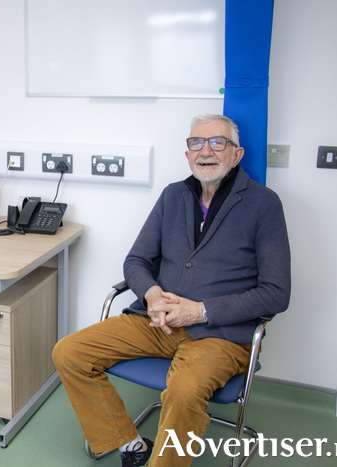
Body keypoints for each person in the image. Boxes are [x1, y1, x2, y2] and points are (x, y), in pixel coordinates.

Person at [52, 114, 291, 467]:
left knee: (183, 391)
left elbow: (275, 293)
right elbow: (136, 260)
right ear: (187, 153)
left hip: (219, 335)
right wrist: (150, 295)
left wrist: (200, 311)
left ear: (236, 155)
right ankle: (131, 446)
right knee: (69, 352)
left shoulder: (264, 204)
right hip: (156, 321)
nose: (205, 151)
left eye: (217, 142)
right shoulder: (173, 195)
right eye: (196, 142)